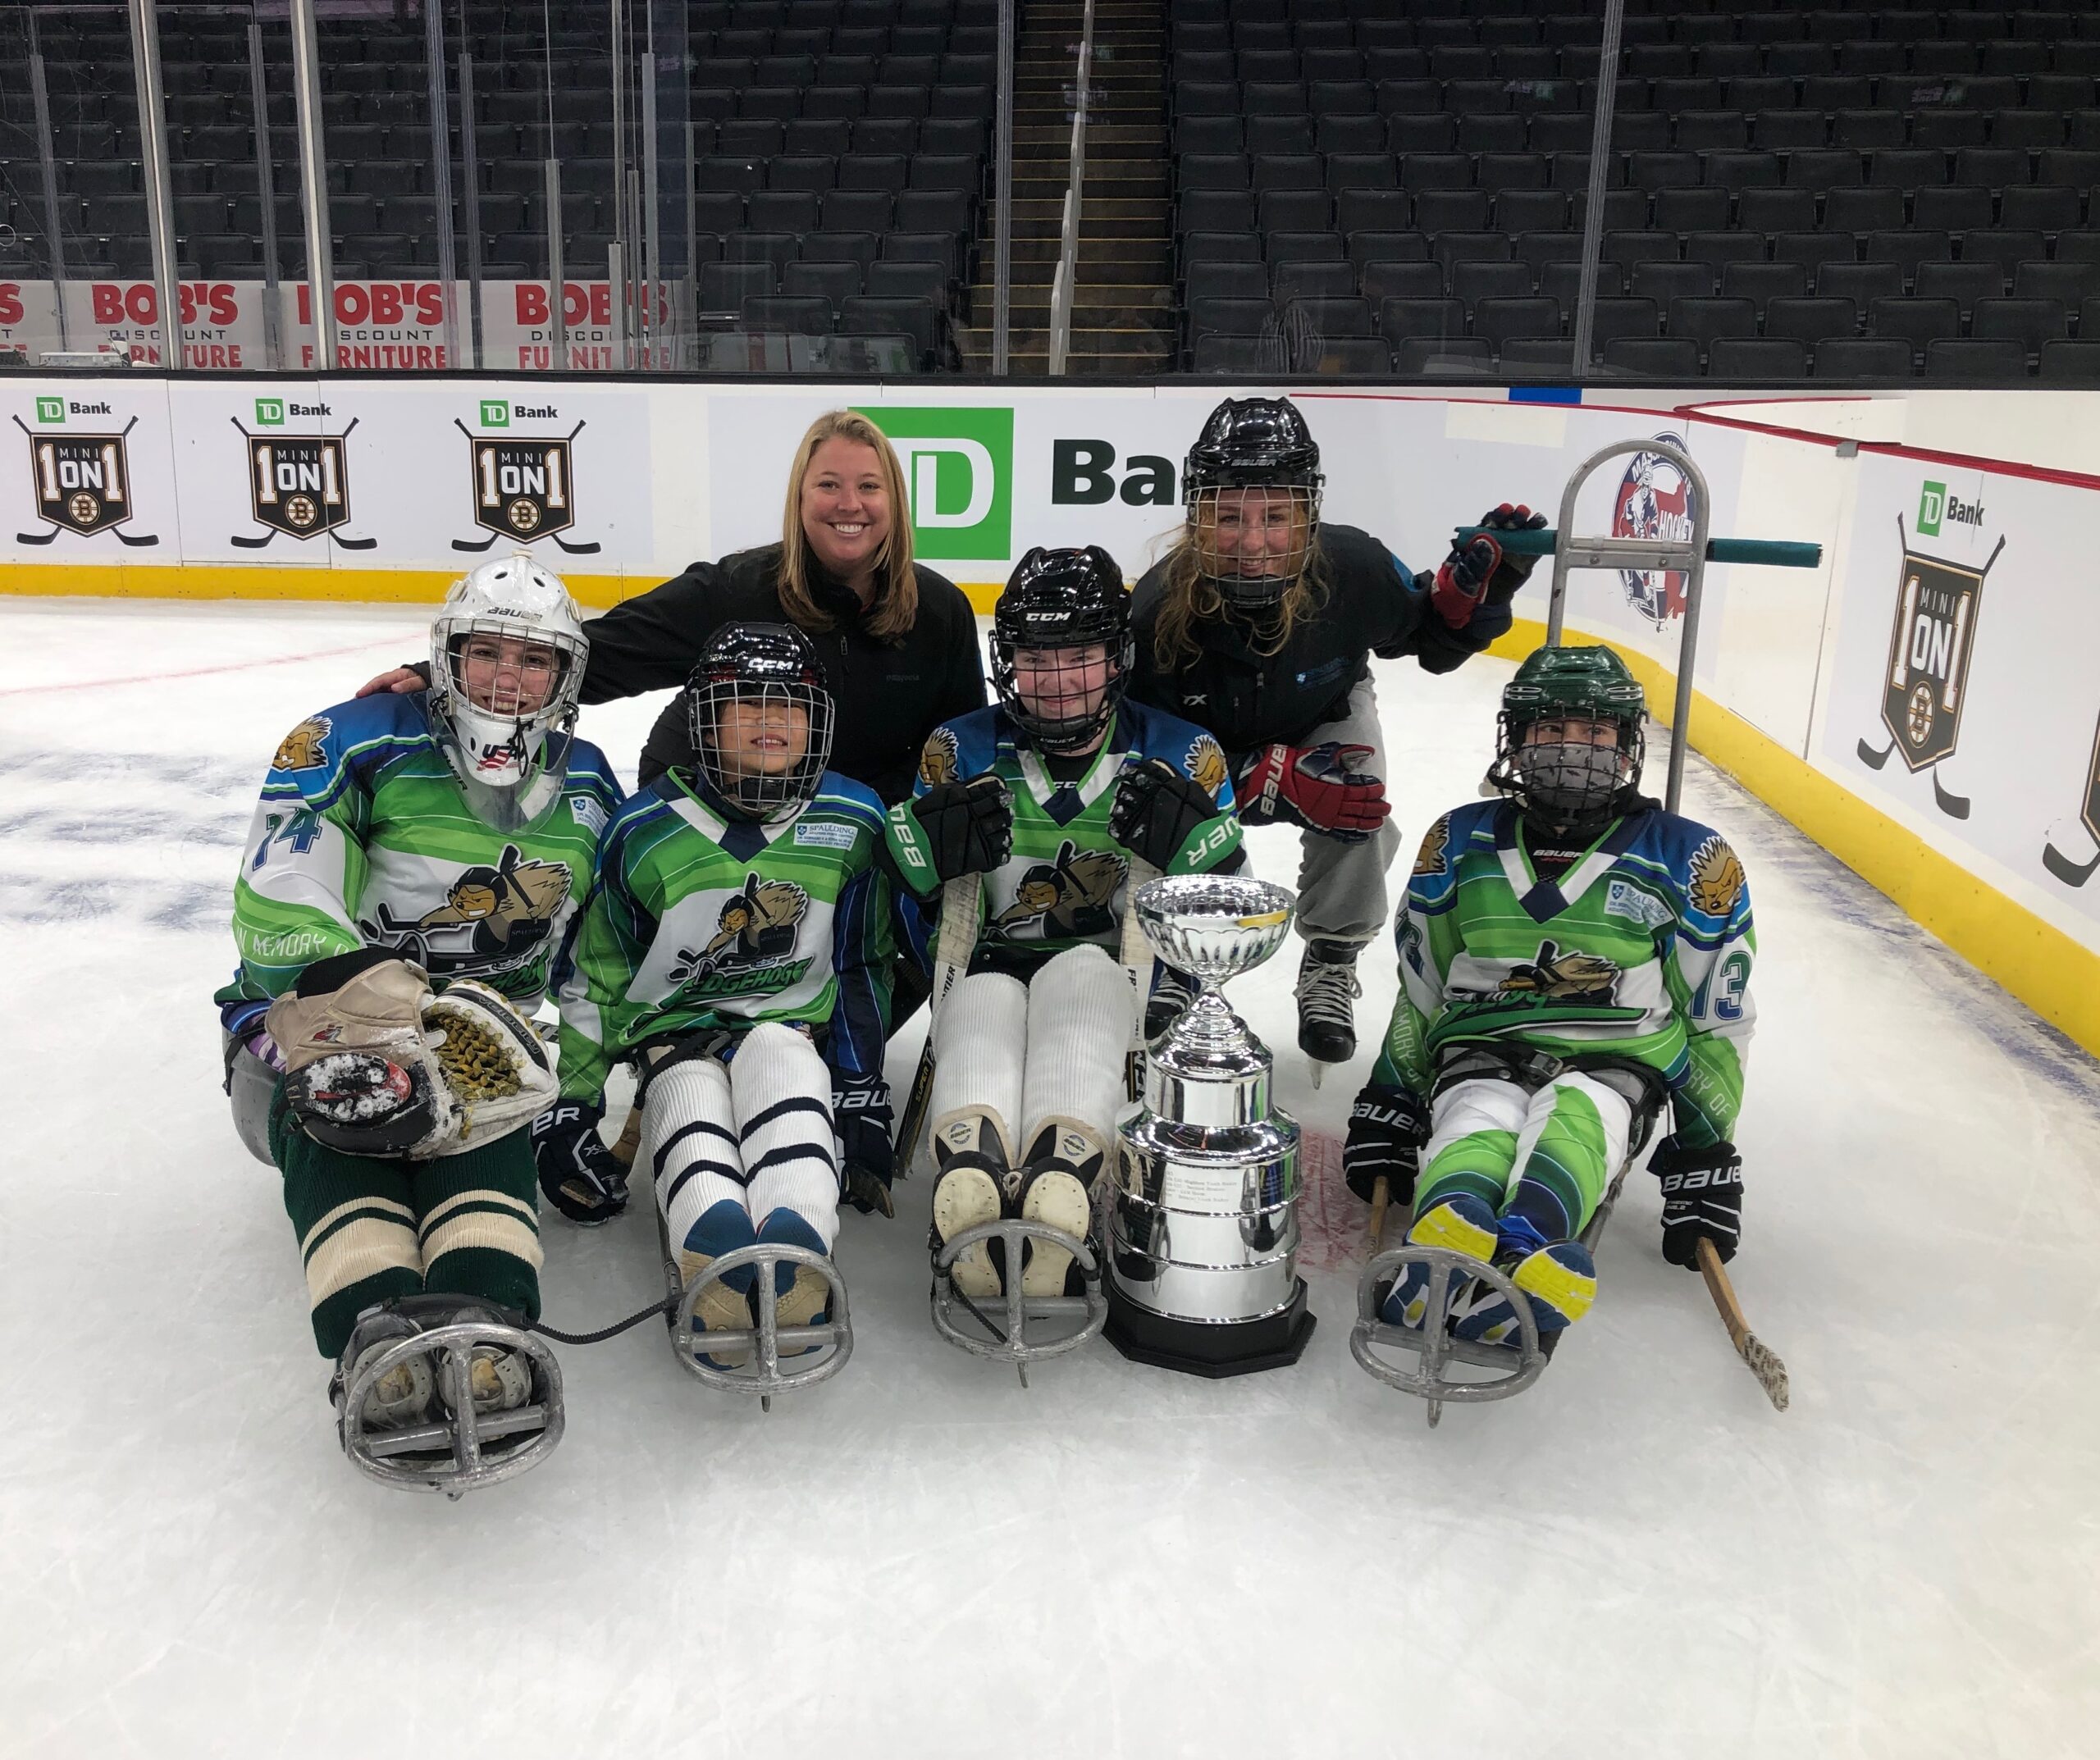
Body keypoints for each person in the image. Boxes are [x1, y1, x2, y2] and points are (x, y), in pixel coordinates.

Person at [217, 554, 621, 1471]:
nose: (506, 679)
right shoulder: (349, 740)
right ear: (446, 654)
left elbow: (594, 958)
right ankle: (376, 1333)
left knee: (491, 1087)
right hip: (314, 1024)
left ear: (566, 676)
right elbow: (277, 900)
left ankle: (485, 1327)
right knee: (352, 1096)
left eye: (532, 660)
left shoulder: (592, 782)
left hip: (473, 1036)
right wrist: (390, 1020)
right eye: (486, 653)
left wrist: (574, 1098)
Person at [1342, 644, 1757, 1345]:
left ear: (1627, 744)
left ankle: (1529, 1248)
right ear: (1516, 739)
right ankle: (1448, 1238)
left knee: (1579, 1120)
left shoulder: (1690, 859)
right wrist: (1395, 1098)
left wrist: (1704, 1156)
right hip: (1482, 1046)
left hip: (1616, 1062)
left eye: (1594, 734)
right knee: (1476, 1121)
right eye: (1552, 731)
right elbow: (1422, 987)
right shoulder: (1459, 842)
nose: (1573, 752)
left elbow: (1716, 1019)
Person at [1127, 395, 1546, 1077]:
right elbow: (1137, 756)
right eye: (1229, 517)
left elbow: (1432, 644)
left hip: (1323, 712)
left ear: (1308, 515)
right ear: (1197, 518)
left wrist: (1479, 603)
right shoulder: (1156, 609)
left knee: (1359, 797)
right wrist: (1261, 775)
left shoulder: (1351, 568)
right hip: (1207, 744)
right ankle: (1179, 953)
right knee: (1165, 812)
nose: (1254, 542)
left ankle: (1331, 957)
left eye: (1276, 517)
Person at [883, 546, 1244, 1300]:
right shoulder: (959, 747)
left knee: (1082, 981)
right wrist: (920, 863)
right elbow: (916, 911)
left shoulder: (1185, 754)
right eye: (1034, 657)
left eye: (1079, 655)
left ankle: (1062, 1176)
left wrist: (1200, 864)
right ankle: (972, 1175)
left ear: (1118, 658)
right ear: (1005, 659)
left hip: (1114, 973)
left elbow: (1224, 928)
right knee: (981, 1001)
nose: (1057, 682)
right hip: (989, 964)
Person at [538, 622, 893, 1366]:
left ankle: (796, 1242)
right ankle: (716, 1247)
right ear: (704, 719)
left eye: (791, 705)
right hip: (676, 1037)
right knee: (689, 1091)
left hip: (792, 1032)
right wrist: (573, 1102)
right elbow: (596, 978)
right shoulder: (644, 828)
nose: (771, 721)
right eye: (746, 703)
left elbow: (863, 962)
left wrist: (860, 1086)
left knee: (783, 1061)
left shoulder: (854, 818)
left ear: (819, 721)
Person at [357, 408, 985, 806]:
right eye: (828, 485)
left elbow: (961, 747)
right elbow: (605, 652)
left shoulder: (940, 611)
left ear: (894, 501)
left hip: (850, 817)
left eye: (868, 487)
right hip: (712, 796)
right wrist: (442, 675)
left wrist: (888, 819)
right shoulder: (738, 589)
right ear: (799, 499)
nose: (849, 504)